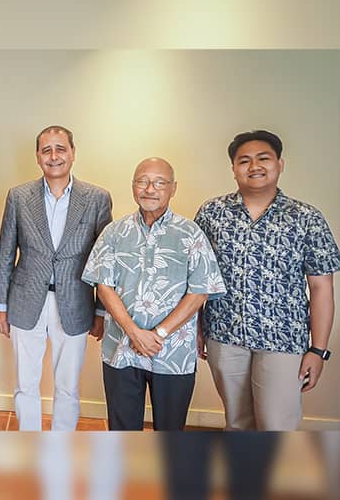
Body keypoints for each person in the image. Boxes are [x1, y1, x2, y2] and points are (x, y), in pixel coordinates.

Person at [195, 130, 340, 430]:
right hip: (224, 334)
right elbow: (197, 278)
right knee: (237, 422)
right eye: (244, 161)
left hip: (283, 341)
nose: (254, 166)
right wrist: (196, 328)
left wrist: (318, 350)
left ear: (280, 164)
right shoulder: (212, 213)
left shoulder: (306, 217)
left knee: (277, 425)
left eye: (263, 158)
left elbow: (321, 288)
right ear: (233, 168)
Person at [82, 158, 226, 430]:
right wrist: (135, 333)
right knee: (122, 429)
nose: (150, 188)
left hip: (173, 352)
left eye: (159, 182)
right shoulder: (114, 232)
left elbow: (200, 292)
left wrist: (158, 334)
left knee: (171, 431)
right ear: (133, 186)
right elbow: (103, 286)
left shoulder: (190, 234)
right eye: (142, 181)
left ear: (173, 188)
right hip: (121, 348)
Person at [0, 125, 113, 431]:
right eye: (46, 150)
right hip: (25, 301)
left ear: (73, 153)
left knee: (67, 386)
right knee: (25, 383)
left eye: (61, 149)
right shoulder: (18, 197)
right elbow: (6, 253)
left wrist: (101, 310)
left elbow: (105, 262)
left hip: (75, 303)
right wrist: (1, 306)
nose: (54, 156)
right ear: (38, 156)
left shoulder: (97, 198)